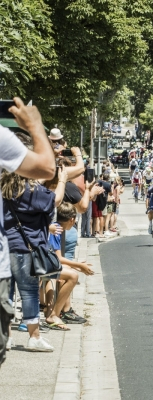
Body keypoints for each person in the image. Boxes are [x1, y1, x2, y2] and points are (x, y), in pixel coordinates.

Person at [0, 98, 56, 364]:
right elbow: (49, 200)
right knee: (29, 291)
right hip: (24, 248)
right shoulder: (29, 188)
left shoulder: (4, 187)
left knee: (6, 294)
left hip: (5, 245)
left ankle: (7, 335)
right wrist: (35, 125)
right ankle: (33, 336)